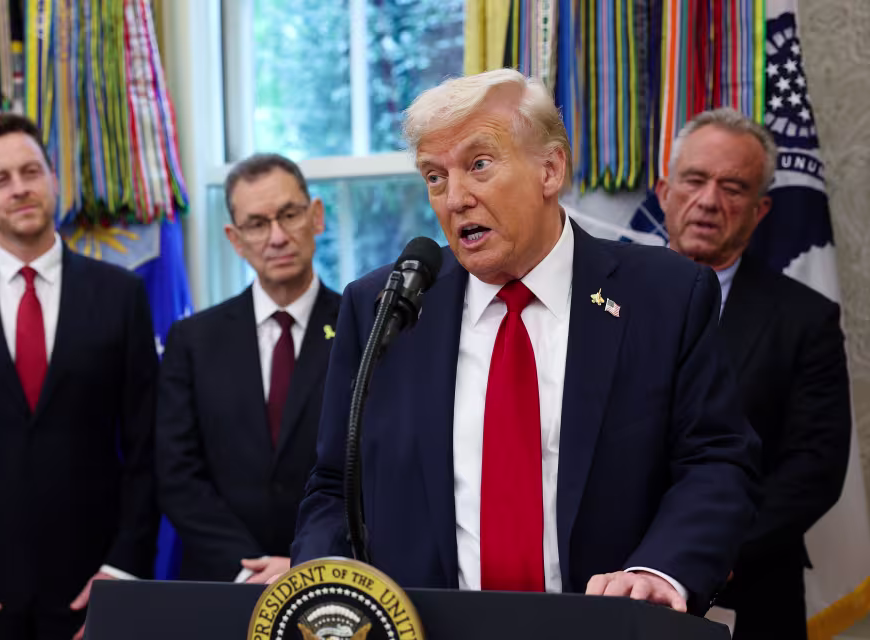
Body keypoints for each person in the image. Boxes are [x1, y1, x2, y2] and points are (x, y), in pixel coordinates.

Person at [291, 69, 760, 616]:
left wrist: (659, 570)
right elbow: (335, 484)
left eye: (479, 164)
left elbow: (715, 460)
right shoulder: (383, 307)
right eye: (435, 176)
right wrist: (319, 595)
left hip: (607, 627)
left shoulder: (665, 295)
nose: (455, 198)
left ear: (550, 169)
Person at [0, 113, 159, 640]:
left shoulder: (121, 295)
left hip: (92, 588)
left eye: (31, 171)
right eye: (1, 179)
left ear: (53, 179)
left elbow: (148, 448)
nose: (19, 188)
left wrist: (122, 571)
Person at [657, 107, 850, 637]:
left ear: (760, 210)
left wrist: (702, 551)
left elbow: (814, 469)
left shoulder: (806, 319)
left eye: (733, 187)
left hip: (749, 586)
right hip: (607, 580)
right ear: (664, 191)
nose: (709, 201)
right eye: (694, 179)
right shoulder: (601, 299)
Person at [156, 154, 339, 584]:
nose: (277, 237)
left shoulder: (363, 327)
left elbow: (375, 468)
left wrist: (306, 560)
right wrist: (246, 569)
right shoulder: (193, 340)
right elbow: (177, 474)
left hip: (331, 577)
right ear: (235, 239)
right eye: (257, 224)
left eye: (289, 215)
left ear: (316, 216)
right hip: (222, 583)